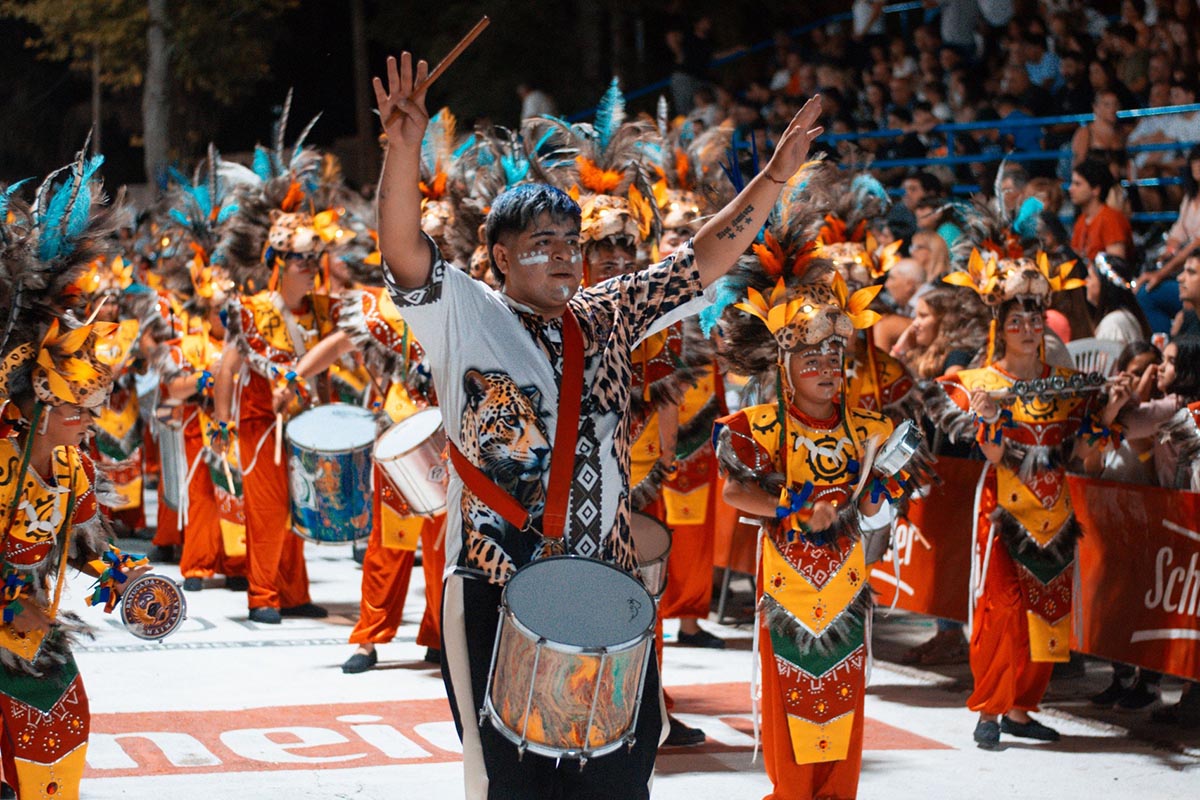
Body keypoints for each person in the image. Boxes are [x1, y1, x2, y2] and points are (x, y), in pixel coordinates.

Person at [372, 51, 824, 799]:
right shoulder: (464, 314)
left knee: (620, 769)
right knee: (511, 779)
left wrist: (774, 179)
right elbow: (403, 250)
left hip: (606, 580)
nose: (562, 256)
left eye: (570, 243)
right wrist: (399, 149)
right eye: (540, 244)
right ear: (500, 257)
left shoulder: (610, 312)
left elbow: (700, 260)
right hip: (494, 582)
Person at [712, 230, 910, 798]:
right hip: (788, 586)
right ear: (784, 361)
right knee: (794, 706)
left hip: (847, 584)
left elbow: (877, 506)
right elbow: (734, 494)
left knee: (842, 706)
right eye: (811, 356)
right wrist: (794, 508)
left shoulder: (870, 428)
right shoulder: (763, 425)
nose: (826, 366)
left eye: (834, 355)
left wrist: (873, 501)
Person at [929, 250, 1130, 750]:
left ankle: (1020, 710)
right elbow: (993, 452)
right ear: (1000, 326)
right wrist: (988, 415)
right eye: (1015, 319)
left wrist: (1112, 413)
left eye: (1034, 318)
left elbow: (1086, 456)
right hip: (1003, 511)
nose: (1026, 327)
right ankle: (990, 707)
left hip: (1055, 512)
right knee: (1000, 611)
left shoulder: (1068, 385)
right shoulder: (979, 384)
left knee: (1047, 615)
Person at [0, 155, 154, 799]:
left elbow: (88, 547)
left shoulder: (70, 465)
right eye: (78, 410)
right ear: (41, 398)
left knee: (58, 736)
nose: (89, 422)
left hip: (28, 629)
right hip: (12, 616)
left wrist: (129, 583)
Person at [1137, 146, 1200, 333]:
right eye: (1195, 160)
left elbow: (1196, 244)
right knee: (1143, 289)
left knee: (1148, 293)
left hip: (1193, 273)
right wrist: (1166, 255)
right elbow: (1177, 234)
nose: (1197, 165)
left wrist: (1161, 273)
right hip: (1181, 269)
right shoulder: (1190, 199)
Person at [1069, 159, 1133, 262]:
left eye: (1077, 184)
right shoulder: (1081, 221)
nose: (1070, 189)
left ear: (1096, 190)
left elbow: (1116, 266)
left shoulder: (1111, 219)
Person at [1085, 253, 1151, 344]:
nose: (1086, 282)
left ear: (1105, 284)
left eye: (1090, 277)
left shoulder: (1112, 325)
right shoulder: (1119, 317)